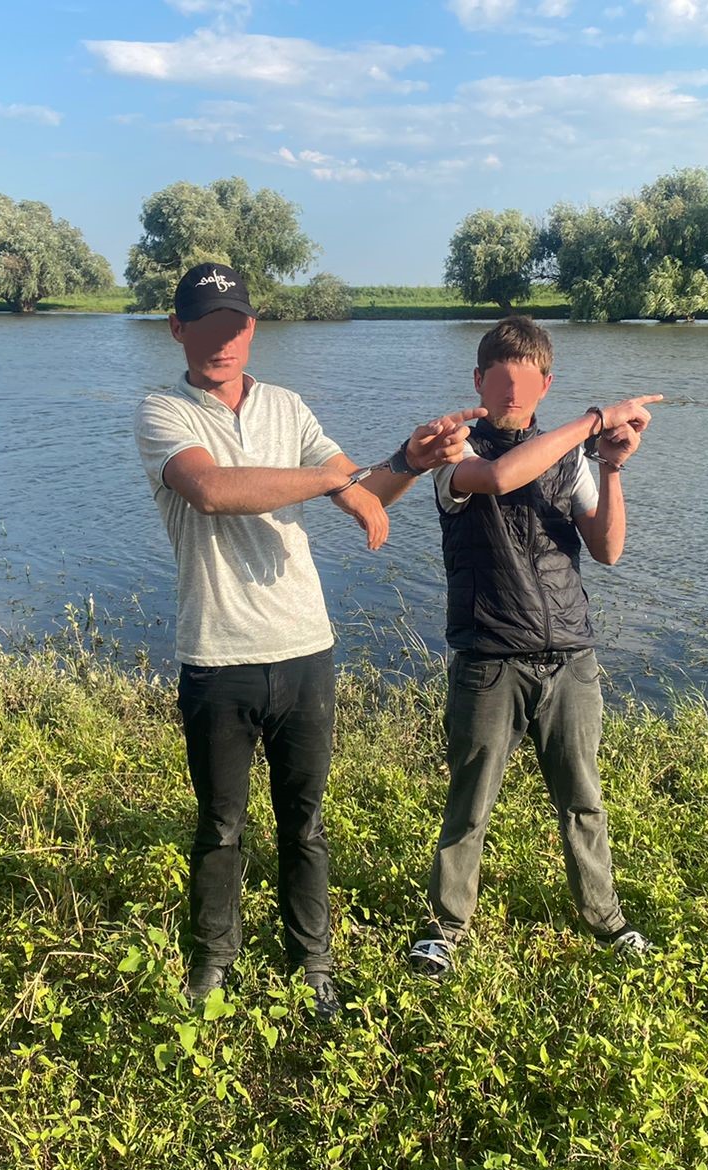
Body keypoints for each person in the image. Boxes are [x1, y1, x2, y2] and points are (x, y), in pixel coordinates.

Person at [135, 262, 483, 1021]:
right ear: (178, 330)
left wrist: (407, 462)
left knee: (307, 820)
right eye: (205, 326)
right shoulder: (163, 409)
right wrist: (332, 481)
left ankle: (312, 963)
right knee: (221, 825)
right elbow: (213, 490)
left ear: (251, 329)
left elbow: (358, 487)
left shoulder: (289, 407)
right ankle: (212, 963)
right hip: (217, 653)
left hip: (304, 649)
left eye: (235, 325)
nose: (222, 342)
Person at [407, 315, 662, 979]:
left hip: (570, 659)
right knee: (469, 804)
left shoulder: (573, 456)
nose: (513, 389)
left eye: (527, 377)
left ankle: (606, 921)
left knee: (583, 800)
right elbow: (497, 479)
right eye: (501, 375)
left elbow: (608, 549)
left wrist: (609, 464)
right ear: (479, 382)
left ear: (545, 382)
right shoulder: (452, 456)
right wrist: (594, 418)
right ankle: (444, 930)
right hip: (490, 662)